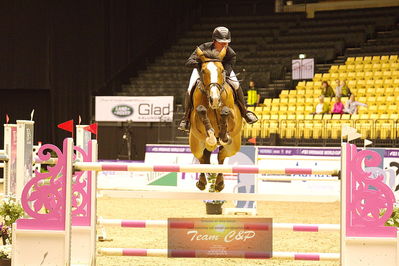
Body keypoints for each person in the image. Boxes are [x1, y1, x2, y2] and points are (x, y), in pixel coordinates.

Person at [178, 26, 258, 131]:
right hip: (202, 71)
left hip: (221, 72)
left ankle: (245, 112)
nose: (225, 45)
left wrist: (219, 74)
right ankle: (186, 119)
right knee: (190, 88)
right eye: (222, 42)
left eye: (227, 42)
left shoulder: (230, 53)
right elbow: (189, 62)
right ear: (214, 41)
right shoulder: (203, 48)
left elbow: (228, 69)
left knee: (236, 85)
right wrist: (204, 63)